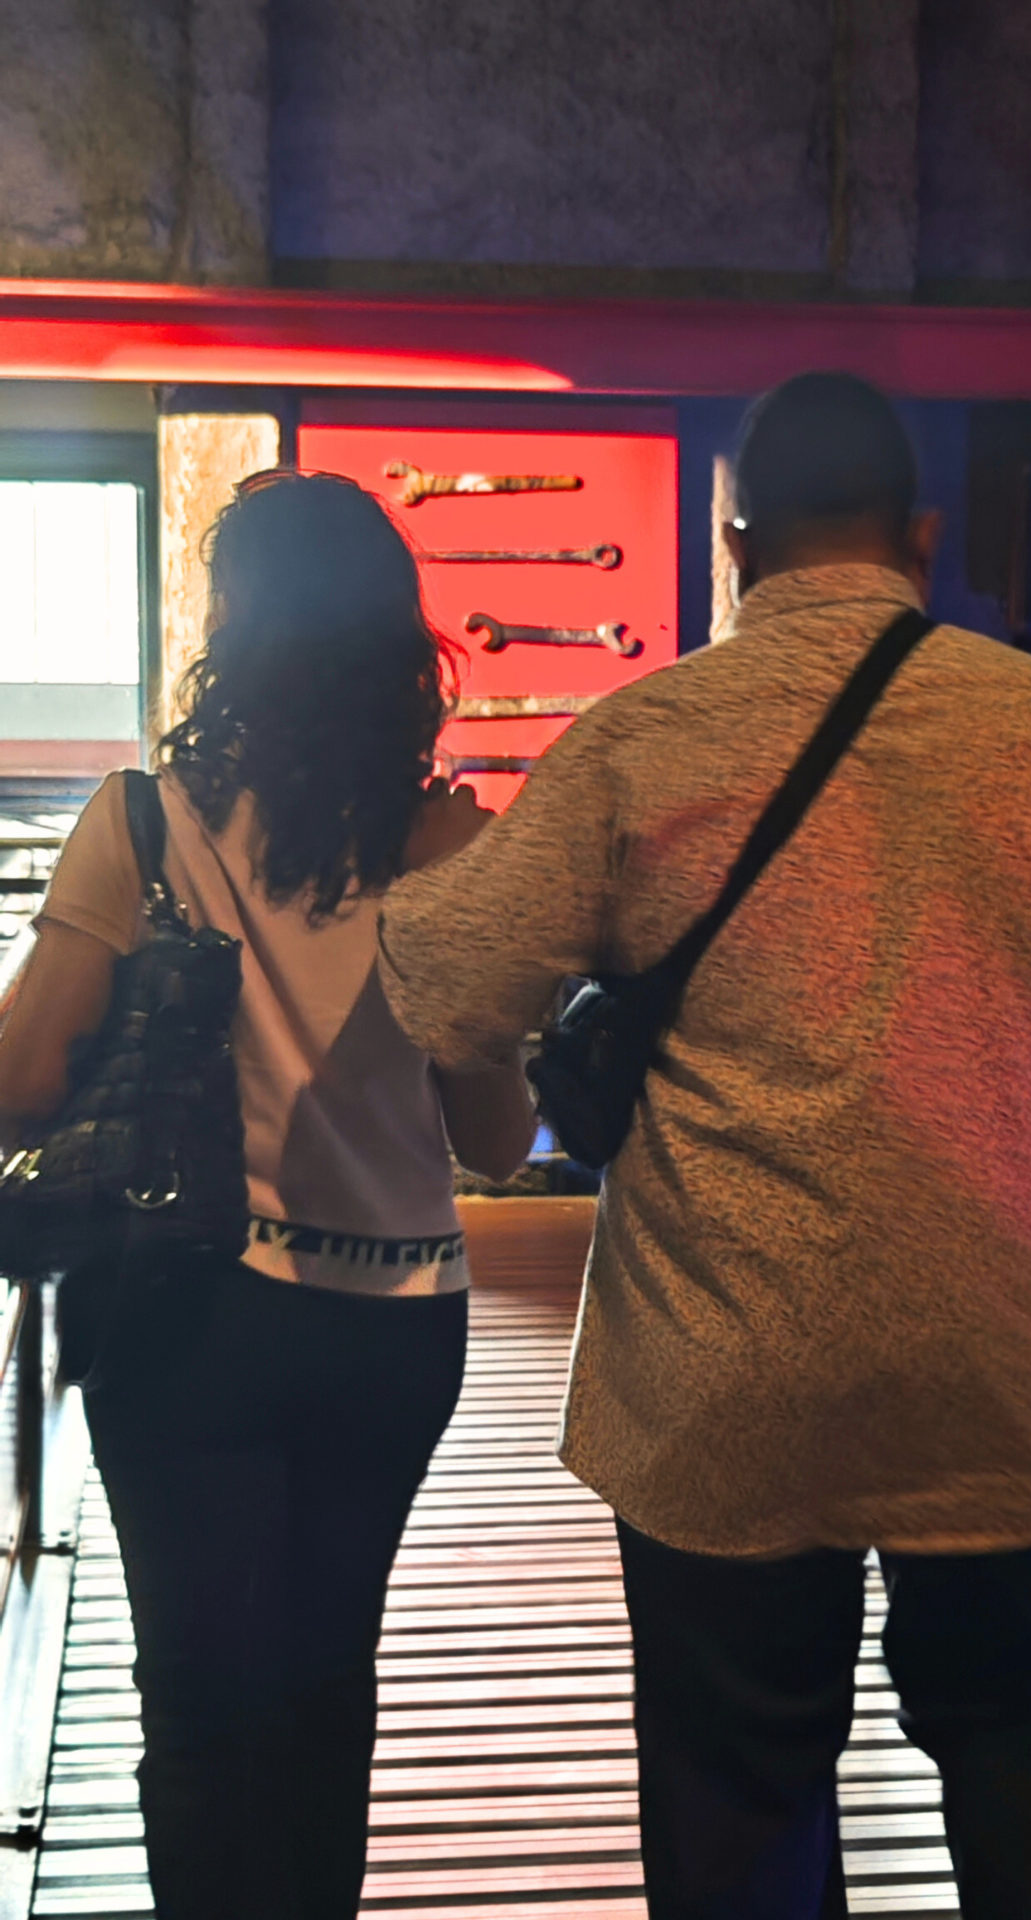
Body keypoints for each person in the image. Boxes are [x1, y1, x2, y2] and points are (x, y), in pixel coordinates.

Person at [376, 373, 1031, 1919]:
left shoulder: (639, 739)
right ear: (924, 537)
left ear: (735, 544)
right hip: (1000, 1369)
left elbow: (454, 992)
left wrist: (408, 847)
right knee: (1027, 1750)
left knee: (737, 1787)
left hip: (723, 1375)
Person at [0, 471, 533, 1920]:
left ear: (232, 628)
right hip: (397, 1320)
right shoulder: (453, 852)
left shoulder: (143, 825)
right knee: (323, 1676)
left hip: (189, 1303)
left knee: (195, 1689)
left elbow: (27, 1077)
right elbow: (497, 1134)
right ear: (396, 647)